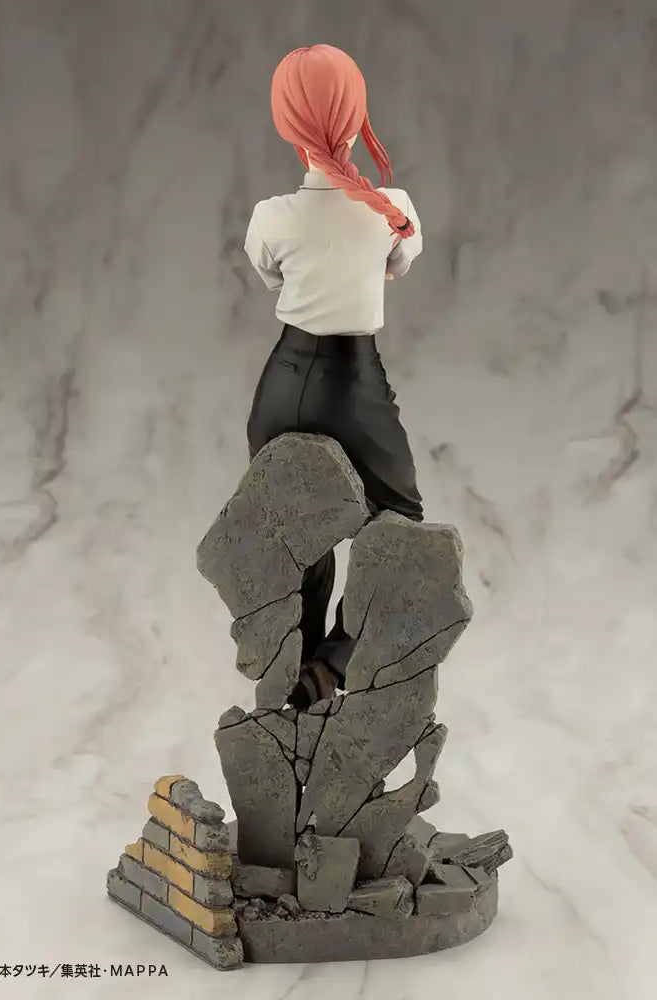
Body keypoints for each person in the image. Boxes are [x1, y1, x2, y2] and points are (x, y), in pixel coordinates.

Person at [244, 44, 424, 709]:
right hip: (353, 386)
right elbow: (397, 265)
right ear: (355, 121)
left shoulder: (271, 216)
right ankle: (330, 664)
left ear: (286, 126)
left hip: (282, 383)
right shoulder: (391, 207)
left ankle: (294, 673)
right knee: (401, 522)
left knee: (298, 532)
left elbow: (272, 275)